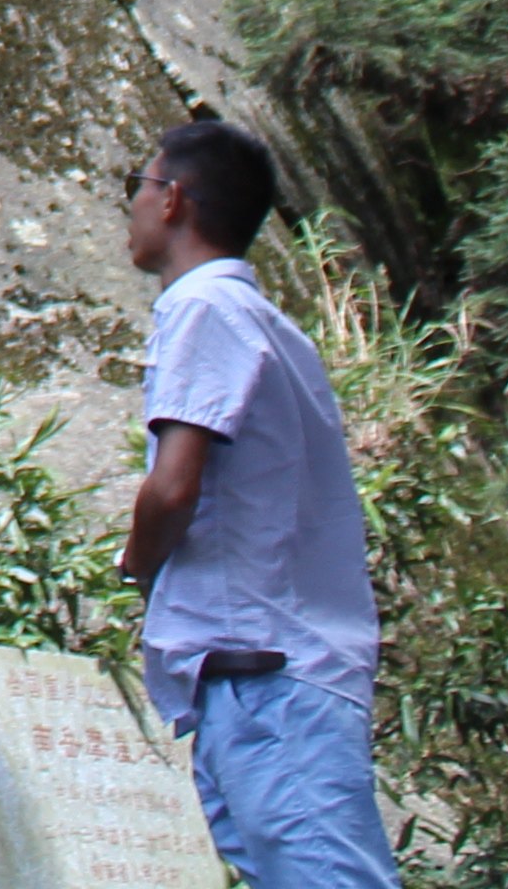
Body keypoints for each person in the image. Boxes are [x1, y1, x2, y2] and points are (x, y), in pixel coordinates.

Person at [121, 114, 395, 889]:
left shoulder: (203, 309)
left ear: (172, 199)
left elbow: (173, 487)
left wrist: (137, 565)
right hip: (268, 672)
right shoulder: (268, 324)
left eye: (136, 188)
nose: (130, 207)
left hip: (265, 674)